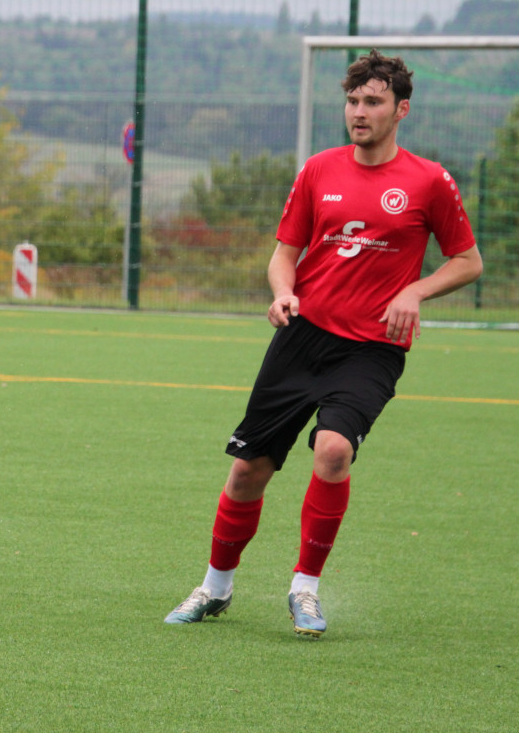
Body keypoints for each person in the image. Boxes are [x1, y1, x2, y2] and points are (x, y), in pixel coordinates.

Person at [164, 50, 483, 637]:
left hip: (372, 347)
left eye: (373, 102)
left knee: (333, 451)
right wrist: (283, 293)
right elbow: (284, 254)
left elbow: (467, 261)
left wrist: (415, 290)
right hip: (302, 336)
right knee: (248, 471)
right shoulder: (318, 170)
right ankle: (215, 587)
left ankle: (304, 589)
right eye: (353, 101)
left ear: (401, 110)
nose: (359, 112)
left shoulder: (429, 180)